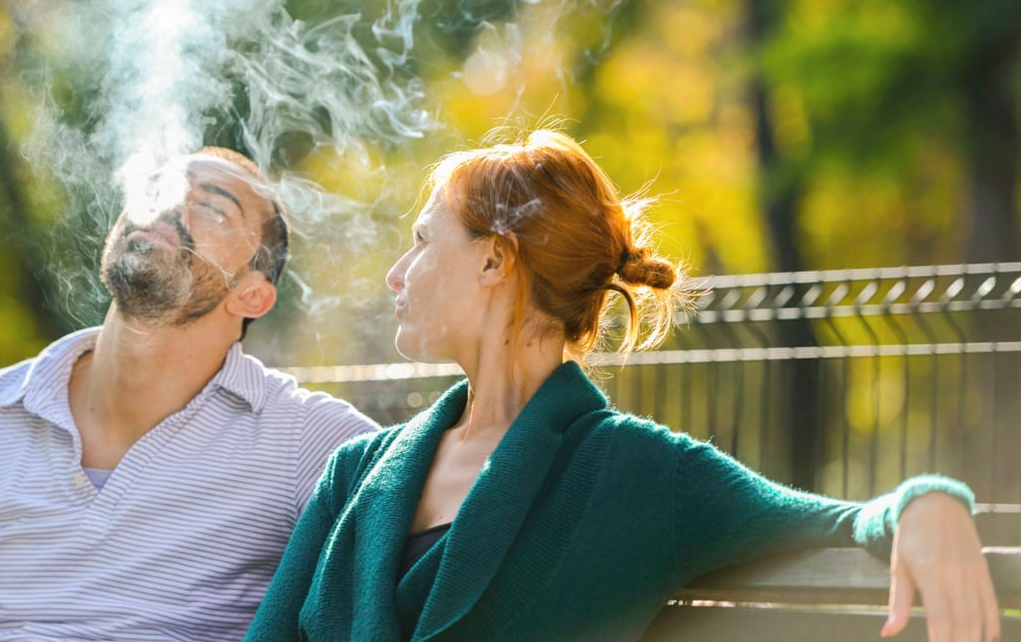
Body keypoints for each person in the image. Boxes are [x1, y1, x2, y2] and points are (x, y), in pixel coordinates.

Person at [246, 130, 1000, 642]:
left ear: (492, 261)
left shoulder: (639, 475)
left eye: (419, 241)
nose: (395, 274)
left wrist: (925, 502)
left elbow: (835, 520)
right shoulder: (356, 475)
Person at [0, 148, 379, 641]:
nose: (171, 207)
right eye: (162, 188)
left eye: (213, 208)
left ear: (252, 295)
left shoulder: (305, 439)